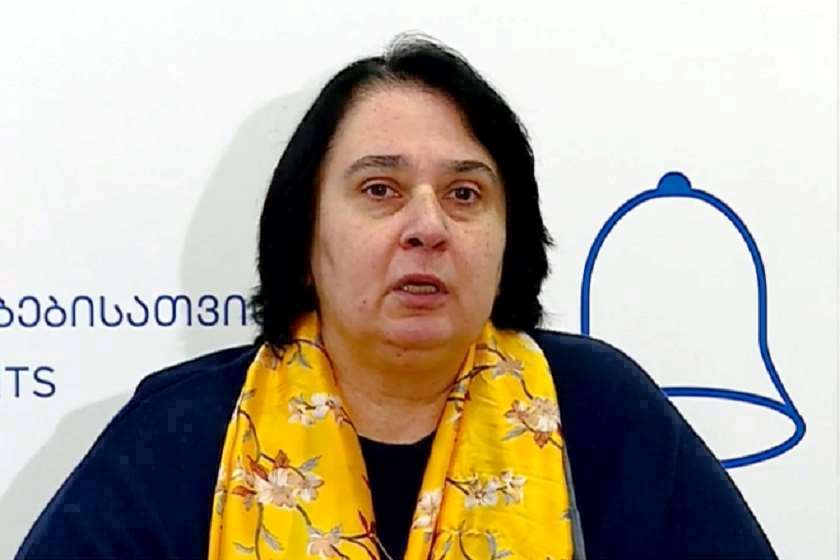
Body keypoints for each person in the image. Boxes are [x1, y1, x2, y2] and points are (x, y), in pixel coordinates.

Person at [17, 36, 777, 560]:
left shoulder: (600, 410)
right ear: (304, 235)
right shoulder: (182, 429)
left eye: (465, 194)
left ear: (508, 240)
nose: (427, 226)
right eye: (380, 190)